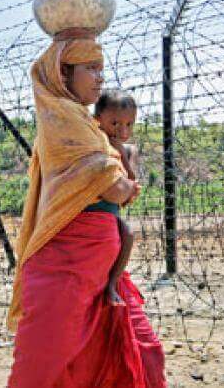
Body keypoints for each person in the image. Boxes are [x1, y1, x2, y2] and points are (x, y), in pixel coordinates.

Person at [7, 28, 166, 388]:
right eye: (90, 68)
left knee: (143, 352)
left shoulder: (86, 126)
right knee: (45, 368)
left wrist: (123, 186)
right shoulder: (64, 120)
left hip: (104, 268)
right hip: (66, 268)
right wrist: (124, 187)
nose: (100, 78)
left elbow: (119, 184)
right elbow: (113, 186)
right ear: (63, 73)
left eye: (101, 69)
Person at [91, 89, 140, 307]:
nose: (122, 130)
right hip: (87, 211)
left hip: (110, 211)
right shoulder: (92, 145)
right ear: (97, 120)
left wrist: (121, 153)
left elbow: (131, 184)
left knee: (128, 233)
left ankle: (112, 283)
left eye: (129, 124)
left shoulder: (129, 150)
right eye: (115, 124)